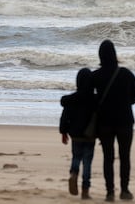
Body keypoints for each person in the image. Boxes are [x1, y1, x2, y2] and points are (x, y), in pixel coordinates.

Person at [92, 39, 135, 202]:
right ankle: (125, 190)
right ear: (114, 54)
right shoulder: (126, 74)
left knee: (108, 157)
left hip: (104, 122)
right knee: (125, 156)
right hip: (125, 121)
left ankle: (110, 192)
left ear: (100, 56)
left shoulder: (95, 76)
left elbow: (90, 99)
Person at [59, 68, 97, 199]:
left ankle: (74, 174)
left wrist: (63, 132)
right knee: (87, 162)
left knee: (76, 157)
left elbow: (64, 116)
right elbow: (100, 117)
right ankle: (85, 190)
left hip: (75, 134)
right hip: (90, 136)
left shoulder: (72, 99)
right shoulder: (95, 100)